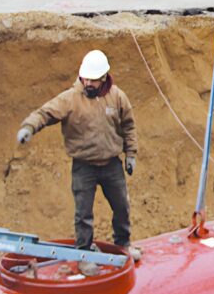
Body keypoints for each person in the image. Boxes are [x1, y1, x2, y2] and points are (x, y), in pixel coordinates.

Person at [17, 50, 139, 265]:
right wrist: (28, 127)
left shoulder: (117, 97)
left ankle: (123, 244)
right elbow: (44, 113)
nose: (88, 83)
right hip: (84, 167)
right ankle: (84, 254)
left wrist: (131, 154)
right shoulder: (70, 99)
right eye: (85, 79)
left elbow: (129, 125)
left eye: (93, 80)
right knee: (83, 214)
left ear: (104, 78)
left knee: (121, 207)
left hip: (112, 165)